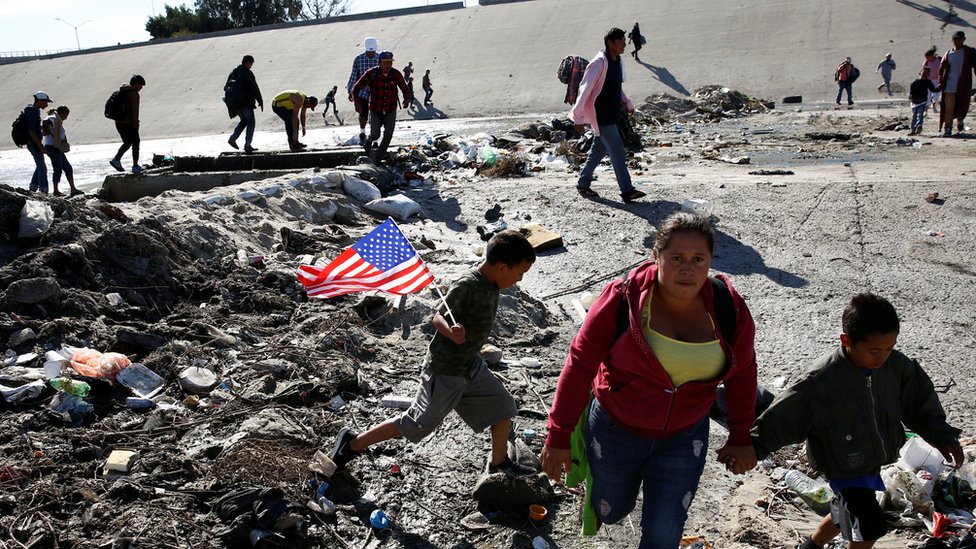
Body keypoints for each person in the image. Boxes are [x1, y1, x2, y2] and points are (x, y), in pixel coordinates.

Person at [540, 212, 758, 549]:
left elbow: (743, 373)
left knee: (664, 532)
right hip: (616, 427)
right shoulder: (623, 299)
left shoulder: (729, 309)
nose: (688, 268)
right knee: (612, 510)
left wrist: (742, 435)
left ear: (710, 261)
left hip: (685, 436)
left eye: (698, 259)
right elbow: (580, 363)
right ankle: (606, 500)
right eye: (676, 258)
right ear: (655, 257)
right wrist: (558, 435)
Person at [752, 293, 964, 549]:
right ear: (847, 340)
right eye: (874, 350)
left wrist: (944, 438)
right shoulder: (821, 380)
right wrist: (751, 447)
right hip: (841, 462)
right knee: (869, 524)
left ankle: (810, 546)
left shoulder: (897, 368)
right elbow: (783, 416)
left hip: (872, 459)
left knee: (846, 512)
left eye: (890, 348)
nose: (882, 357)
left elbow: (919, 405)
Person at [328, 230, 537, 477]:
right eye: (520, 273)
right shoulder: (468, 285)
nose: (520, 279)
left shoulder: (492, 283)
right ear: (502, 268)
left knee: (503, 407)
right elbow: (437, 317)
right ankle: (352, 443)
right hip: (446, 370)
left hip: (470, 364)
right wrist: (451, 331)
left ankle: (498, 464)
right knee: (417, 423)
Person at [570, 27, 645, 203]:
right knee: (618, 151)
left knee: (598, 150)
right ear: (610, 43)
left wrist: (627, 102)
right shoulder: (598, 63)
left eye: (624, 43)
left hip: (613, 113)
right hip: (601, 115)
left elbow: (616, 87)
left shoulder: (617, 61)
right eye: (621, 43)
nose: (624, 46)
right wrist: (578, 118)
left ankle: (583, 182)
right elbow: (584, 90)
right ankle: (627, 190)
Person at [351, 51, 411, 163]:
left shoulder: (395, 74)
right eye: (385, 62)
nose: (388, 65)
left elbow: (405, 89)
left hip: (390, 108)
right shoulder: (371, 73)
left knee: (388, 134)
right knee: (375, 134)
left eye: (390, 62)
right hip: (375, 109)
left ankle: (377, 156)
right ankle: (368, 141)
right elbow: (356, 88)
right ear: (379, 63)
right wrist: (357, 103)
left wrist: (406, 99)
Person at [938, 30, 976, 137]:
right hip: (949, 86)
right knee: (948, 108)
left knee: (962, 107)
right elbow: (941, 71)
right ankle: (948, 128)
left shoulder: (969, 52)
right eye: (955, 39)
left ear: (964, 39)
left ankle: (960, 121)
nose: (957, 42)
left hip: (963, 86)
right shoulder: (948, 54)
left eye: (959, 39)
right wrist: (940, 82)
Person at [227, 55, 264, 153]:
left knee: (244, 121)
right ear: (247, 62)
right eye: (251, 64)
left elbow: (226, 87)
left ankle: (233, 138)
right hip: (245, 103)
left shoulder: (233, 72)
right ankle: (248, 145)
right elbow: (254, 88)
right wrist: (260, 100)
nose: (251, 66)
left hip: (234, 103)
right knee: (251, 121)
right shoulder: (248, 73)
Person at [109, 74, 146, 174]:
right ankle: (135, 165)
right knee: (136, 142)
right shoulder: (134, 94)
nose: (141, 88)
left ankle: (116, 159)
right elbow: (135, 111)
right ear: (136, 84)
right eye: (140, 85)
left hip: (119, 122)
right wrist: (136, 124)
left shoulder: (122, 91)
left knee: (128, 142)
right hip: (129, 123)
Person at [347, 36, 380, 145]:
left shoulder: (380, 59)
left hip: (377, 91)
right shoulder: (358, 59)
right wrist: (351, 91)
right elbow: (354, 75)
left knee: (376, 115)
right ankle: (362, 133)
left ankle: (374, 137)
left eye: (373, 51)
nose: (371, 53)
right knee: (363, 113)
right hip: (362, 91)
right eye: (370, 51)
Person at [42, 106, 81, 196]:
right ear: (61, 113)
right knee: (58, 169)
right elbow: (45, 123)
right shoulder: (53, 118)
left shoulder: (57, 119)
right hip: (52, 147)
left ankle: (73, 188)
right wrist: (47, 131)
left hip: (57, 147)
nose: (66, 118)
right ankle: (56, 190)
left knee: (67, 168)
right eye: (65, 115)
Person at [24, 91, 53, 193]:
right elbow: (31, 131)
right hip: (33, 143)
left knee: (40, 165)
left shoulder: (35, 111)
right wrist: (40, 146)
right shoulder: (32, 112)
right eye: (45, 102)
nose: (47, 104)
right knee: (42, 167)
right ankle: (43, 190)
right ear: (39, 101)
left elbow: (34, 129)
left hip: (34, 142)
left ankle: (33, 187)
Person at [909, 67, 938, 135]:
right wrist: (914, 98)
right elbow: (911, 93)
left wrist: (940, 88)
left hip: (923, 101)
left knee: (920, 115)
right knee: (914, 116)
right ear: (920, 73)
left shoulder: (928, 82)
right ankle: (913, 130)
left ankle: (919, 126)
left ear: (928, 75)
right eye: (924, 73)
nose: (925, 74)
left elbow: (933, 89)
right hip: (915, 102)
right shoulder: (915, 83)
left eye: (927, 73)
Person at [923, 47, 942, 112]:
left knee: (936, 94)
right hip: (928, 80)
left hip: (937, 79)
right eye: (926, 57)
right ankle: (925, 109)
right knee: (927, 94)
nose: (927, 59)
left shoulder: (939, 59)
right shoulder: (926, 62)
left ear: (932, 56)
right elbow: (923, 71)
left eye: (928, 57)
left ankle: (934, 106)